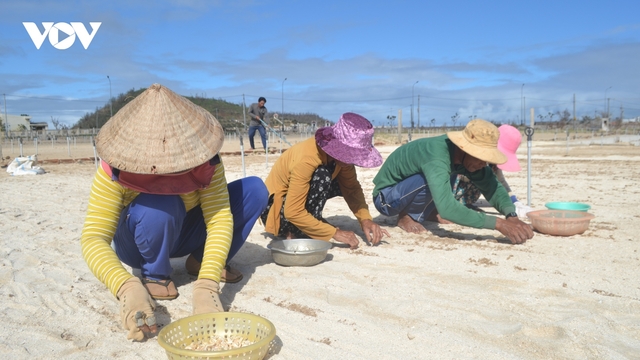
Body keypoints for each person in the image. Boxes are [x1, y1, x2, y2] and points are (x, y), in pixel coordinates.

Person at [80, 84, 268, 341]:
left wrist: (207, 285)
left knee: (254, 190)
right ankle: (154, 272)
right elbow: (93, 238)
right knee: (163, 203)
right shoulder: (115, 171)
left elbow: (219, 218)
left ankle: (200, 261)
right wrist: (126, 287)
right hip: (138, 240)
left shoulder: (205, 163)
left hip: (183, 230)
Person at [372, 119, 534, 244]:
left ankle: (423, 212)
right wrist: (498, 224)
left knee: (444, 178)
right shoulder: (437, 155)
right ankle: (408, 216)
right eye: (481, 158)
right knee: (432, 178)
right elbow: (447, 209)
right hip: (386, 198)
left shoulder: (465, 158)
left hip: (407, 191)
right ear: (465, 149)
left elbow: (493, 187)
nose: (483, 165)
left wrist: (511, 215)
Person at [261, 112, 390, 249]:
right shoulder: (307, 159)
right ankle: (294, 230)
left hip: (296, 204)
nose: (352, 160)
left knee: (340, 182)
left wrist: (365, 219)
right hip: (276, 211)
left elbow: (351, 189)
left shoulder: (342, 161)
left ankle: (312, 223)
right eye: (350, 154)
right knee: (322, 176)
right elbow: (292, 211)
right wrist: (334, 233)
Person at [451, 124, 532, 217]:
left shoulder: (493, 165)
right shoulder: (471, 155)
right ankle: (455, 204)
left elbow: (500, 182)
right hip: (451, 190)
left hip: (465, 196)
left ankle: (465, 204)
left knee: (490, 178)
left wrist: (514, 201)